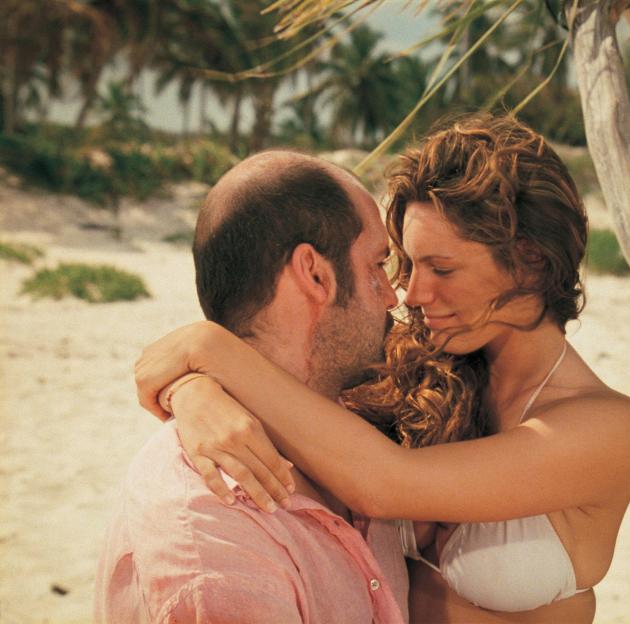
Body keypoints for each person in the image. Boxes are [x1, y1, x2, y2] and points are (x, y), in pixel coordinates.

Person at [135, 114, 630, 623]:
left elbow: (383, 483)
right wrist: (195, 389)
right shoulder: (411, 366)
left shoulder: (605, 429)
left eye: (442, 268)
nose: (413, 293)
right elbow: (295, 377)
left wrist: (209, 346)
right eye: (408, 262)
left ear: (530, 261)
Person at [96, 150, 410, 623]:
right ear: (315, 274)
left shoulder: (362, 419)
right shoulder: (214, 538)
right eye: (377, 265)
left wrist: (192, 375)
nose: (391, 296)